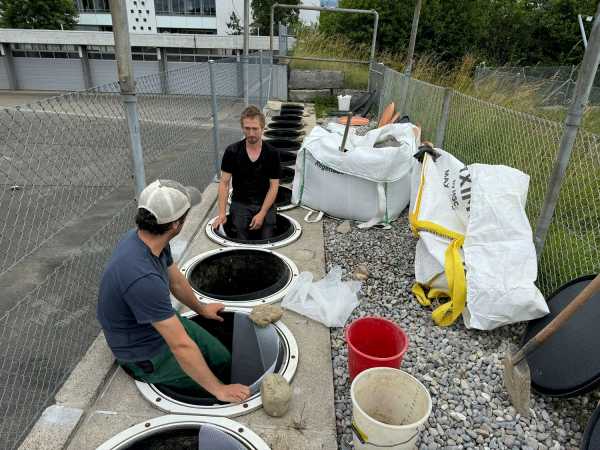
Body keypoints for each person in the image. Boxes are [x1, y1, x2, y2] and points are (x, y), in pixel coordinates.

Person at [97, 179, 250, 403]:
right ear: (175, 225)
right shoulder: (141, 277)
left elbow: (176, 282)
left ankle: (217, 381)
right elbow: (180, 345)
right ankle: (215, 390)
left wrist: (202, 309)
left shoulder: (147, 239)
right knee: (207, 385)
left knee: (222, 359)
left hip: (157, 325)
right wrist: (219, 389)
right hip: (142, 352)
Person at [212, 105, 281, 240]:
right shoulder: (232, 151)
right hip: (241, 202)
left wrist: (262, 213)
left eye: (255, 129)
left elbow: (274, 186)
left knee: (267, 237)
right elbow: (224, 183)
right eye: (247, 128)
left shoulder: (272, 153)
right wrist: (221, 214)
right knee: (239, 236)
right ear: (242, 128)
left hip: (264, 202)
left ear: (262, 128)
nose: (251, 133)